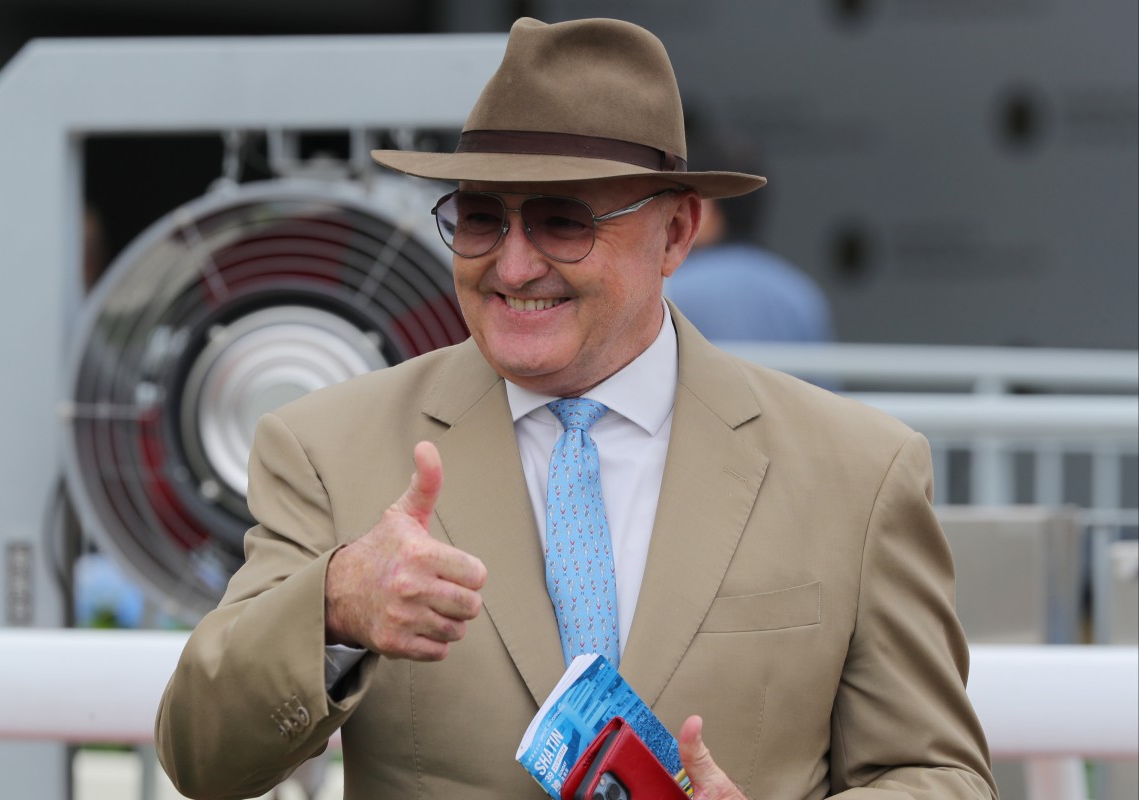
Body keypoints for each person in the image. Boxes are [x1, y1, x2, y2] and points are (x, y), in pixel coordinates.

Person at [156, 17, 997, 800]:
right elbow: (200, 757)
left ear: (676, 234)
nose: (513, 267)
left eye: (563, 223)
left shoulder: (858, 470)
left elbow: (936, 772)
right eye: (480, 221)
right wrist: (335, 607)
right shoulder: (327, 447)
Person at [663, 134, 834, 344]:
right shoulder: (800, 294)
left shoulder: (671, 291)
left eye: (683, 203)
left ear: (705, 209)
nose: (674, 216)